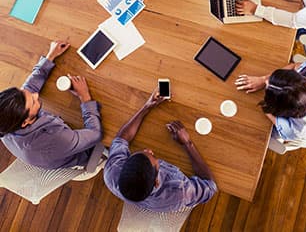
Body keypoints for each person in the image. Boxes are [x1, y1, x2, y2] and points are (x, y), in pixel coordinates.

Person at [103, 88, 217, 211]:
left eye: (142, 152)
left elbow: (121, 139)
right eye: (154, 158)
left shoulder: (111, 173)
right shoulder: (179, 193)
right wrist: (187, 144)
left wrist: (146, 107)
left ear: (124, 165)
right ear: (157, 182)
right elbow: (210, 186)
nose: (149, 150)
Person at [0, 40, 103, 169]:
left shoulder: (6, 120)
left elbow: (29, 87)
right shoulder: (54, 139)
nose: (36, 95)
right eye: (33, 101)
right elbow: (95, 134)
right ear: (25, 122)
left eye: (24, 92)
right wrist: (84, 97)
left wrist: (50, 56)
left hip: (54, 145)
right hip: (82, 154)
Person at [235, 60, 306, 141]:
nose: (266, 82)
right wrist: (263, 79)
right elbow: (294, 65)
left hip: (298, 128)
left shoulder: (295, 130)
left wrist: (266, 102)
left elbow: (268, 111)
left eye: (268, 84)